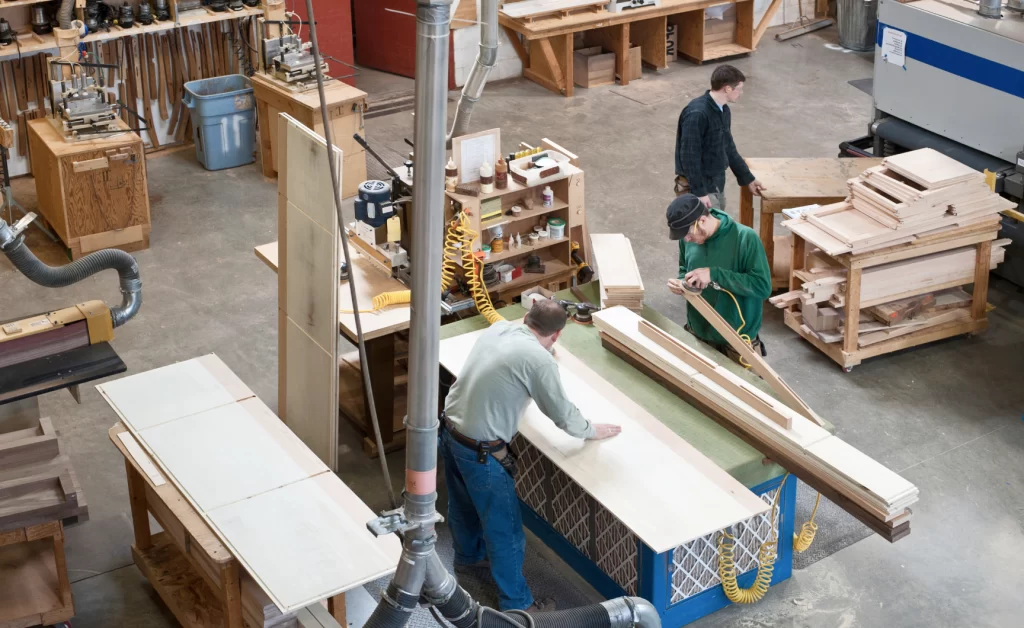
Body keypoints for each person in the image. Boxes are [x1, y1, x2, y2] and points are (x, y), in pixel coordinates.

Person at [439, 299, 621, 613]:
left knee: (463, 505)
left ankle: (467, 559)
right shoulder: (539, 360)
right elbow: (562, 415)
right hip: (482, 453)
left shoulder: (499, 329)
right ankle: (519, 607)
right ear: (557, 335)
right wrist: (592, 430)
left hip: (451, 433)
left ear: (526, 317)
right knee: (505, 533)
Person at [666, 193, 772, 361]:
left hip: (737, 339)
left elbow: (762, 287)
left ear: (701, 221)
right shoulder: (688, 240)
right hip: (699, 334)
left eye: (687, 233)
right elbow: (684, 268)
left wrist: (714, 274)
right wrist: (681, 282)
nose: (686, 239)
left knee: (745, 387)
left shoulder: (745, 238)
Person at [674, 64, 766, 209]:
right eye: (739, 89)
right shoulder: (697, 114)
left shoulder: (723, 110)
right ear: (727, 88)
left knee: (718, 226)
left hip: (716, 183)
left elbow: (728, 147)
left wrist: (748, 178)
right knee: (702, 230)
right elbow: (689, 157)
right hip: (698, 188)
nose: (741, 93)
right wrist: (699, 193)